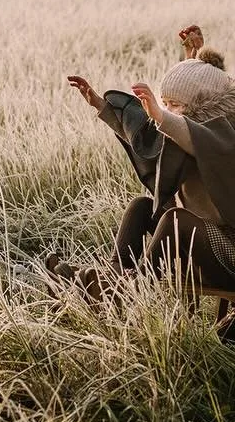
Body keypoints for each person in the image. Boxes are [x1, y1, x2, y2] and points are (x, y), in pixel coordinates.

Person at [59, 28, 235, 319]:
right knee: (142, 206)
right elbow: (146, 138)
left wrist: (162, 115)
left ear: (204, 108)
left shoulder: (224, 137)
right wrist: (101, 105)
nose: (166, 110)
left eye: (174, 105)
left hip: (228, 250)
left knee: (175, 219)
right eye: (166, 103)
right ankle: (112, 277)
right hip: (201, 241)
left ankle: (126, 292)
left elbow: (192, 133)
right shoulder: (190, 127)